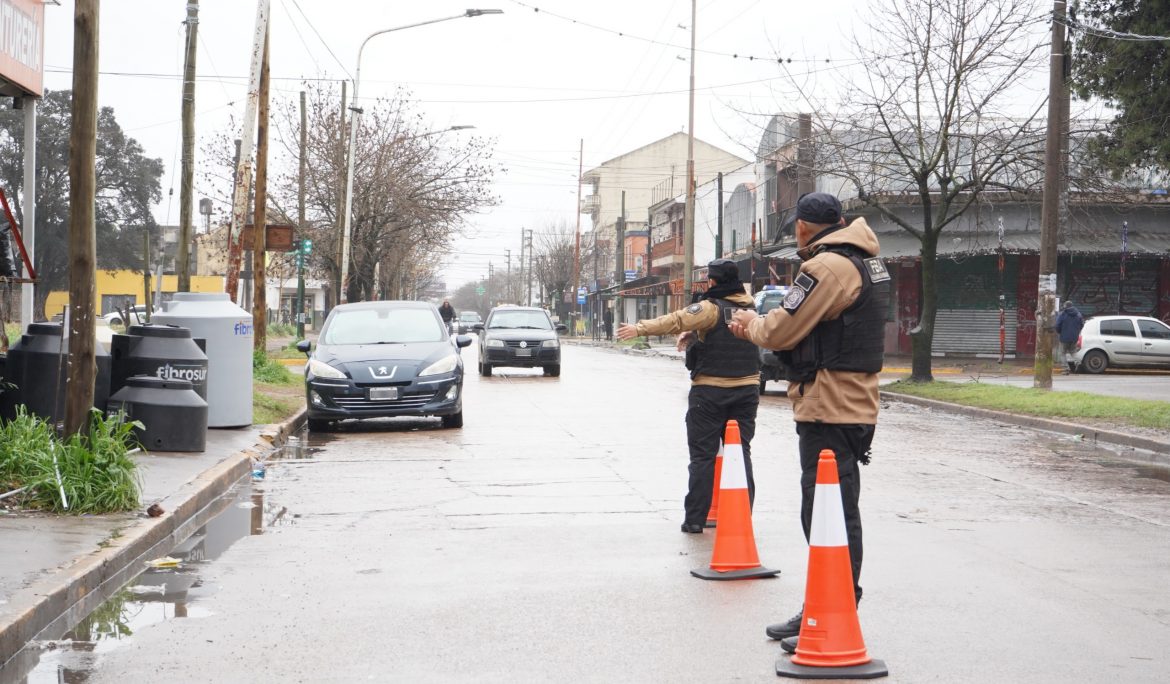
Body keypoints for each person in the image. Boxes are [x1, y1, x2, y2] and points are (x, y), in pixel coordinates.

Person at [728, 192, 890, 649]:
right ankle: (822, 605)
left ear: (802, 226)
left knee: (827, 514)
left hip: (830, 405)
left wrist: (751, 324)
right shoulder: (864, 260)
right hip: (848, 402)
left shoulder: (826, 267)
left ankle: (834, 610)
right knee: (831, 511)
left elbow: (783, 328)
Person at [617, 259, 761, 534]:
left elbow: (675, 320)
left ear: (713, 282)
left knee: (703, 458)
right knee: (741, 454)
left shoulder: (709, 308)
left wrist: (639, 328)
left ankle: (695, 519)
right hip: (747, 390)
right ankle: (742, 515)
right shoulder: (749, 307)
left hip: (710, 393)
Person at [1054, 301, 1085, 373]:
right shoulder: (1078, 314)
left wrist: (1060, 332)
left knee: (1062, 353)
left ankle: (1066, 369)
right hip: (1074, 337)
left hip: (1064, 337)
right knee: (1073, 351)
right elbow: (1082, 325)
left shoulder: (1062, 314)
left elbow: (1057, 325)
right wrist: (1076, 332)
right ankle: (1078, 362)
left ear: (1065, 306)